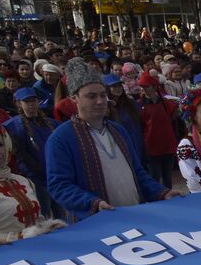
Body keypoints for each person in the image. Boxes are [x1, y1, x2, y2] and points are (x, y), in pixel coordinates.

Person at [45, 58, 178, 220]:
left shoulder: (117, 130)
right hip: (98, 224)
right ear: (74, 99)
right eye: (91, 96)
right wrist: (92, 203)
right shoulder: (61, 139)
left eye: (102, 95)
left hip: (136, 216)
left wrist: (162, 192)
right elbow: (59, 186)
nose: (100, 101)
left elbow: (138, 173)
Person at [0, 114, 64, 249]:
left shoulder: (24, 181)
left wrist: (48, 227)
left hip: (43, 251)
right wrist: (21, 237)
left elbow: (38, 220)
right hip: (10, 261)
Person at [3, 86, 58, 215]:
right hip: (36, 178)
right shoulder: (13, 126)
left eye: (33, 100)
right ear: (19, 104)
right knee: (44, 213)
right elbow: (22, 156)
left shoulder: (50, 123)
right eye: (26, 101)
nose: (31, 104)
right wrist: (37, 172)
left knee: (60, 213)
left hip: (55, 175)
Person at [136, 73, 180, 190]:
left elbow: (175, 115)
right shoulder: (139, 105)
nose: (143, 89)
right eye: (142, 86)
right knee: (154, 178)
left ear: (154, 87)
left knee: (167, 178)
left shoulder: (166, 102)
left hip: (167, 145)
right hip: (151, 147)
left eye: (146, 86)